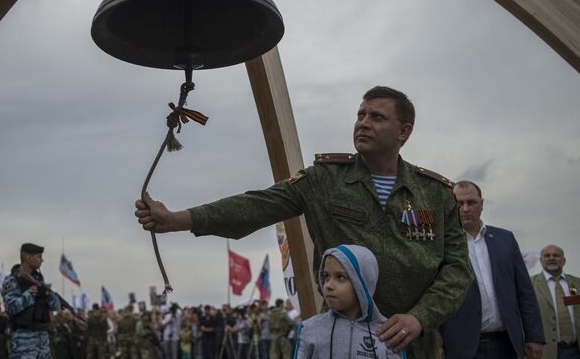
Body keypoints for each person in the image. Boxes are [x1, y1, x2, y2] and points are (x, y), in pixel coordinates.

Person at [135, 86, 472, 357]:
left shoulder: (435, 194)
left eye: (377, 117)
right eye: (360, 114)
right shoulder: (325, 179)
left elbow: (456, 270)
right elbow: (257, 205)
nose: (363, 122)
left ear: (404, 131)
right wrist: (178, 219)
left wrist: (420, 318)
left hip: (413, 344)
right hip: (340, 343)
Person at [439, 181, 545, 358]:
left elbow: (524, 291)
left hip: (507, 344)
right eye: (459, 203)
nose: (465, 209)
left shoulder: (505, 239)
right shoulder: (441, 244)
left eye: (471, 202)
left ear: (482, 204)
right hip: (461, 347)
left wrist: (534, 336)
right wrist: (436, 342)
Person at [294, 245, 404, 358]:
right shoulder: (310, 330)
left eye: (340, 277)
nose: (328, 285)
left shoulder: (387, 334)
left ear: (361, 284)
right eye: (326, 276)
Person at [1, 243, 61, 359]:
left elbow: (56, 306)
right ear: (28, 258)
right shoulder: (12, 280)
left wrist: (47, 294)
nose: (41, 260)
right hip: (23, 340)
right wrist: (30, 294)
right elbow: (12, 307)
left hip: (43, 340)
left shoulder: (39, 281)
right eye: (38, 256)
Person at [532, 245, 580, 359]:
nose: (551, 258)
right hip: (546, 351)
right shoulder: (530, 285)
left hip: (576, 349)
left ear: (564, 261)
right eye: (547, 255)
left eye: (556, 255)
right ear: (541, 260)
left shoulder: (577, 283)